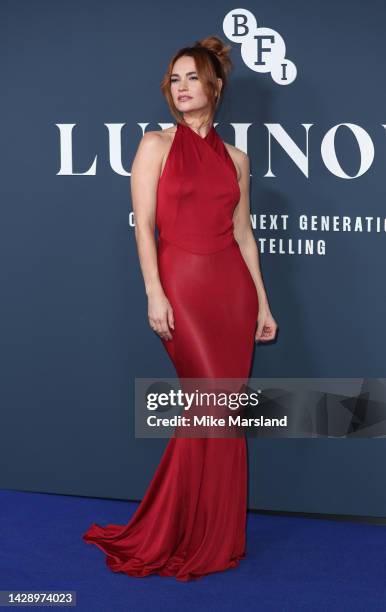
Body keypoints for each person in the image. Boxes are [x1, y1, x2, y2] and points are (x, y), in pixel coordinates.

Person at [82, 35, 278, 582]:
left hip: (232, 293)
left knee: (218, 413)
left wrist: (262, 303)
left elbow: (244, 236)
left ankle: (210, 532)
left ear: (215, 86)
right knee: (208, 402)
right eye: (175, 79)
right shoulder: (155, 145)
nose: (182, 87)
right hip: (181, 289)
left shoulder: (236, 158)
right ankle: (177, 530)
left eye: (192, 77)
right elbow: (144, 226)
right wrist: (154, 290)